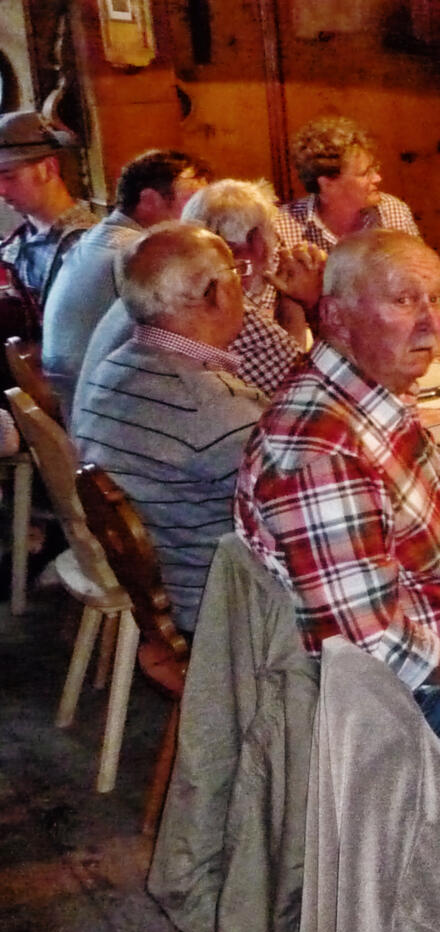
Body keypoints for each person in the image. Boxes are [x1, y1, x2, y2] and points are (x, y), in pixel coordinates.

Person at [236, 230, 440, 771]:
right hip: (412, 716)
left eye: (437, 297)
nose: (430, 321)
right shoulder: (323, 454)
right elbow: (372, 650)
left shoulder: (365, 395)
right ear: (337, 316)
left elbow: (405, 521)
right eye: (402, 300)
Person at [68, 224, 265, 633]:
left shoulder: (113, 367)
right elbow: (301, 517)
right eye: (238, 274)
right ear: (216, 292)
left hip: (167, 592)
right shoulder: (211, 406)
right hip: (225, 615)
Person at [81, 179, 325, 402]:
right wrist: (311, 305)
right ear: (257, 241)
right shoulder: (223, 304)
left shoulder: (148, 288)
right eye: (272, 234)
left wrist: (288, 302)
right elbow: (311, 397)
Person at [42, 148, 208, 412]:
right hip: (101, 407)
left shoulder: (97, 236)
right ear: (149, 200)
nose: (199, 220)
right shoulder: (139, 254)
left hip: (73, 396)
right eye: (191, 203)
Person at [0, 110, 98, 323]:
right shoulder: (19, 238)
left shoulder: (86, 246)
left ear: (49, 168)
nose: (1, 190)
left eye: (9, 176)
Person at [273, 115, 421, 252]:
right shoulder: (283, 226)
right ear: (327, 184)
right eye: (365, 173)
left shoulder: (393, 212)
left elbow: (420, 275)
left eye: (374, 169)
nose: (377, 178)